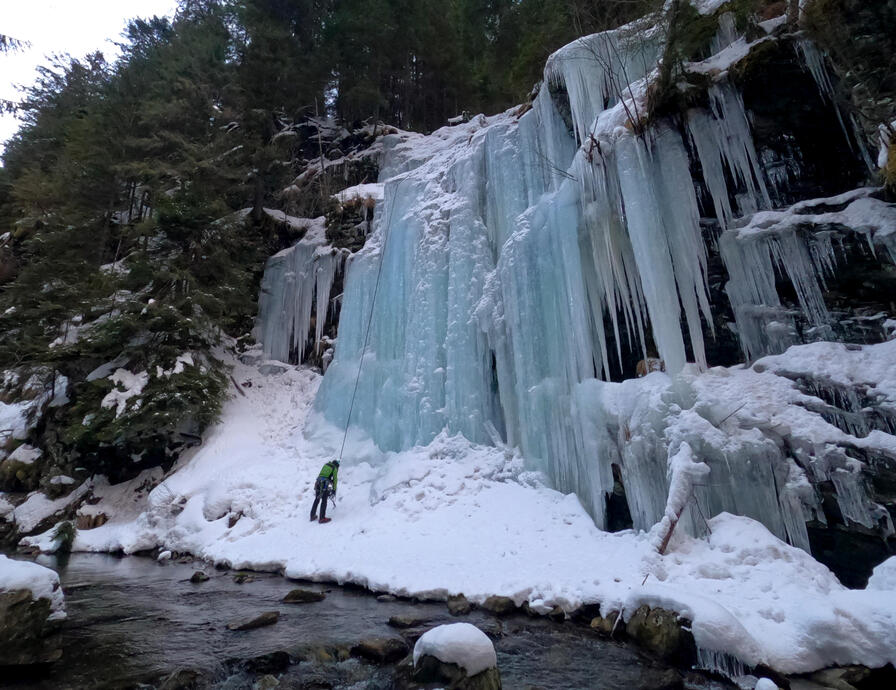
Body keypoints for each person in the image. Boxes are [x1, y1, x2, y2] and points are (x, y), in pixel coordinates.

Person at [310, 459, 339, 524]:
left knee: (317, 499)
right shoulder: (334, 468)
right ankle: (322, 518)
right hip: (324, 485)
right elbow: (335, 480)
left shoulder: (326, 465)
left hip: (318, 483)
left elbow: (324, 475)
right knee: (324, 500)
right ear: (336, 466)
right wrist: (334, 490)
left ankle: (312, 516)